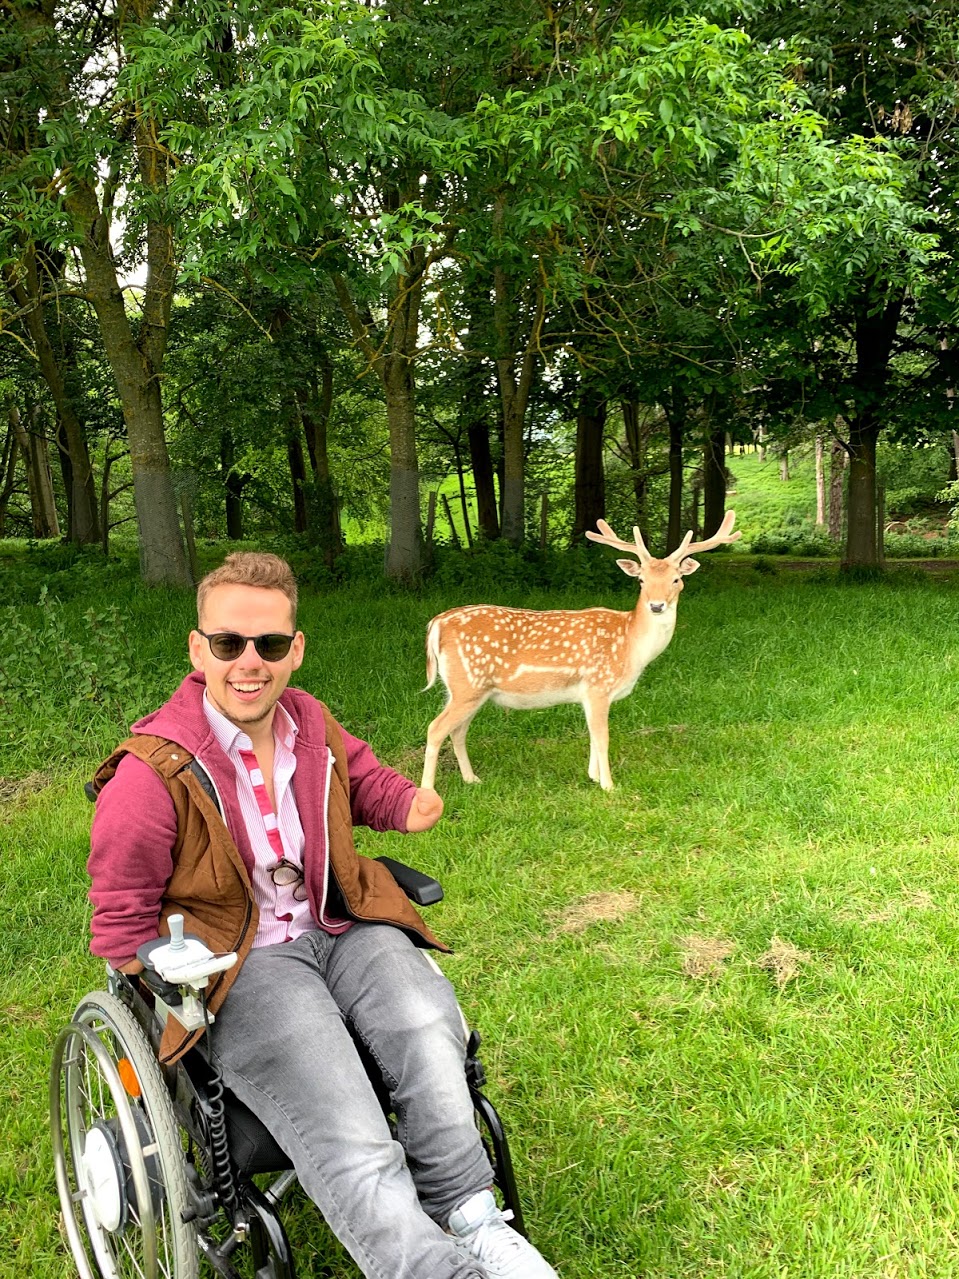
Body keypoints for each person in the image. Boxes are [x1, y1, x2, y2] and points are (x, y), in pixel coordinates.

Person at [87, 551, 559, 1279]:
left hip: (336, 922)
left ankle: (469, 1210)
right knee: (345, 1113)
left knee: (425, 1023)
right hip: (240, 960)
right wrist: (155, 964)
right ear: (197, 647)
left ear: (295, 648)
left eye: (270, 644)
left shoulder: (309, 720)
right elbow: (119, 925)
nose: (251, 662)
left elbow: (360, 775)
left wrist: (404, 802)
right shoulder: (152, 772)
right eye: (229, 643)